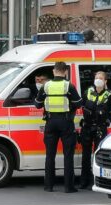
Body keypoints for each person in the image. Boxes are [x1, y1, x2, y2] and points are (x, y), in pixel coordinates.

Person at [35, 62, 82, 193]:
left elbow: (37, 104)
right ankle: (69, 187)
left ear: (54, 71)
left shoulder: (46, 86)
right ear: (65, 72)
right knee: (68, 155)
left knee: (50, 155)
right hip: (66, 122)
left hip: (50, 122)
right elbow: (78, 103)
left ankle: (48, 186)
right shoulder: (68, 86)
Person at [79, 71, 111, 189]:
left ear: (105, 81)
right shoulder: (88, 91)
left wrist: (107, 123)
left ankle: (98, 181)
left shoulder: (109, 95)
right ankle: (84, 181)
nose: (98, 79)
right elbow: (82, 106)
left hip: (100, 128)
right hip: (87, 127)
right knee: (85, 155)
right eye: (96, 77)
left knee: (98, 155)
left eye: (100, 78)